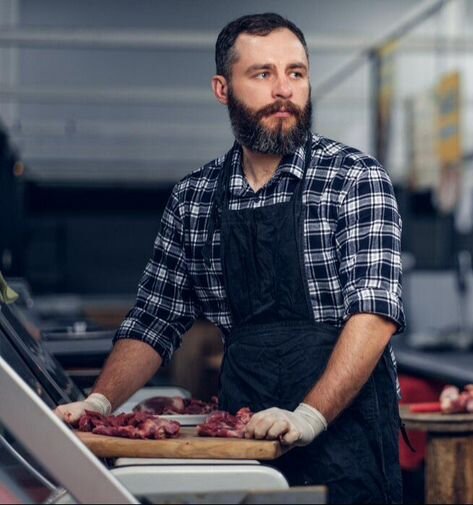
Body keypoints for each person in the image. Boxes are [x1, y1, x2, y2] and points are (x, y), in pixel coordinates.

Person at [54, 12, 404, 504]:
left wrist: (308, 416)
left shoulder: (355, 179)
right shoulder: (194, 198)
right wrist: (98, 402)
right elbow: (155, 319)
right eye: (263, 74)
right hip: (243, 443)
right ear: (223, 88)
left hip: (348, 442)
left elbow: (373, 316)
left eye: (296, 73)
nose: (283, 89)